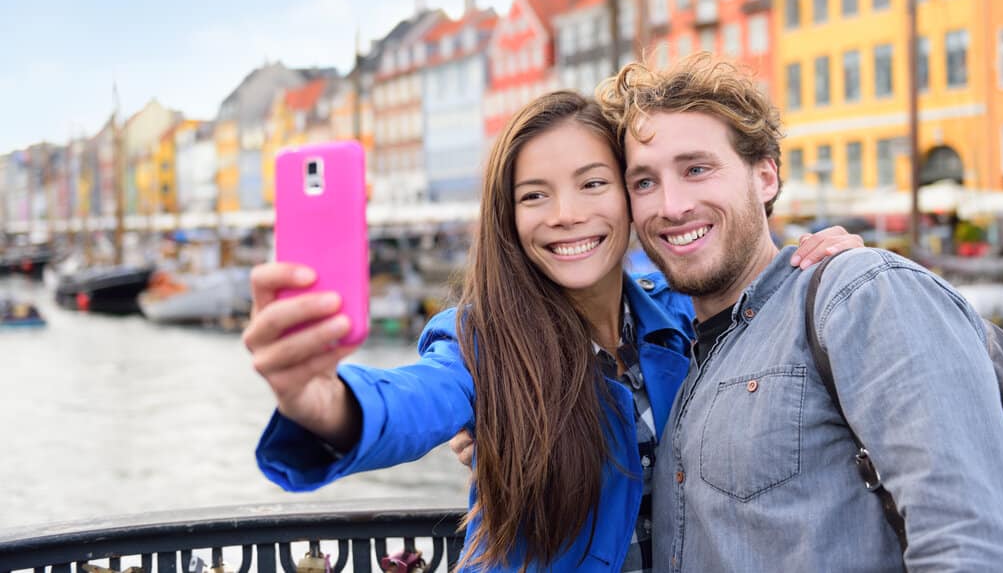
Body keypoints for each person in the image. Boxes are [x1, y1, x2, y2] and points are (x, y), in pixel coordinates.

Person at [243, 90, 860, 572]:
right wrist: (326, 404)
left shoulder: (679, 318)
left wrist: (811, 267)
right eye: (534, 195)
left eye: (593, 183)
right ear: (508, 220)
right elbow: (415, 400)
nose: (566, 215)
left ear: (629, 195)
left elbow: (752, 295)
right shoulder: (482, 341)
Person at [594, 54, 1003, 571]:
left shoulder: (861, 293)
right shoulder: (684, 354)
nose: (672, 205)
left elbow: (980, 547)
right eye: (644, 182)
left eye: (697, 169)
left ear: (765, 176)